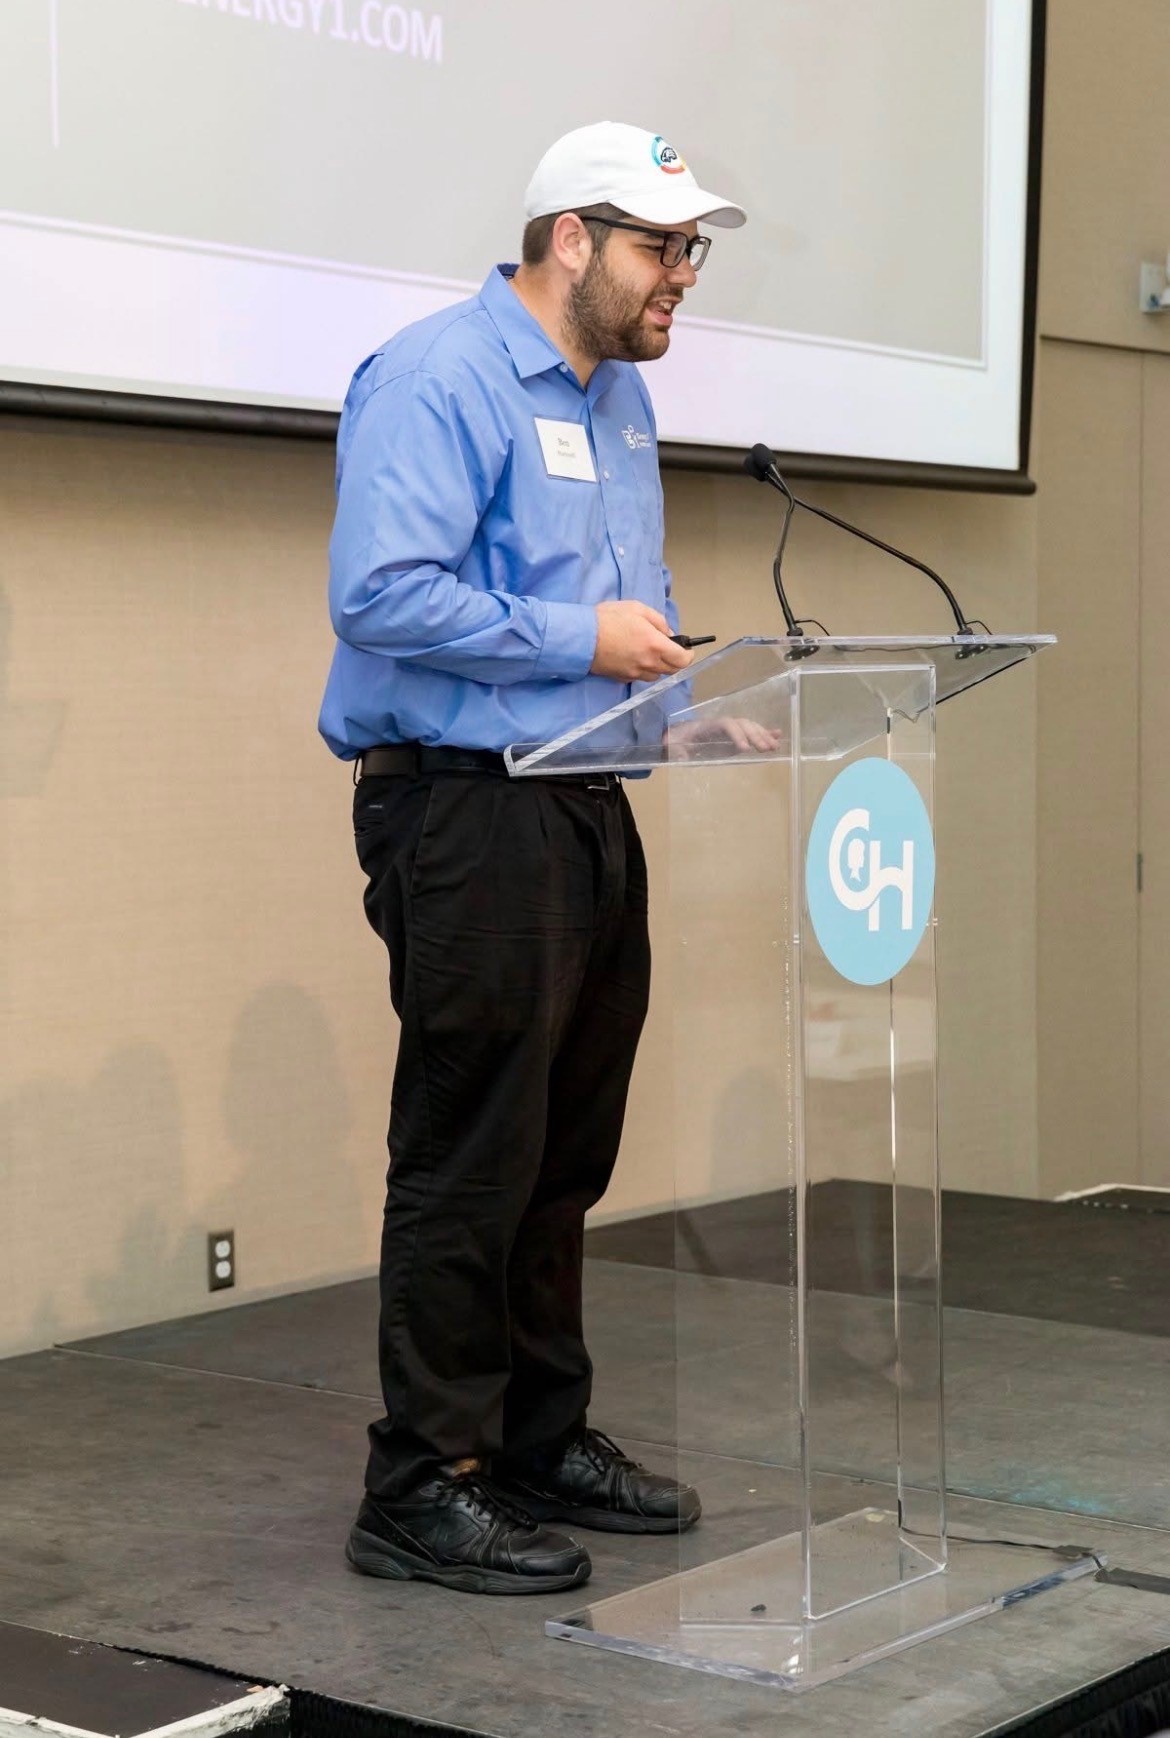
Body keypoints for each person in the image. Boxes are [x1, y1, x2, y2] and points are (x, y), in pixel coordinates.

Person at [319, 121, 746, 1597]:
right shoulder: (436, 377)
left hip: (580, 799)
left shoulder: (619, 399)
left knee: (565, 1145)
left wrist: (678, 721)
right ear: (571, 238)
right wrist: (584, 641)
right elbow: (381, 593)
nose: (680, 274)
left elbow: (632, 617)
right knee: (474, 1147)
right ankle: (419, 1482)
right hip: (464, 808)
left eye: (692, 250)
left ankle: (532, 1436)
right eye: (659, 247)